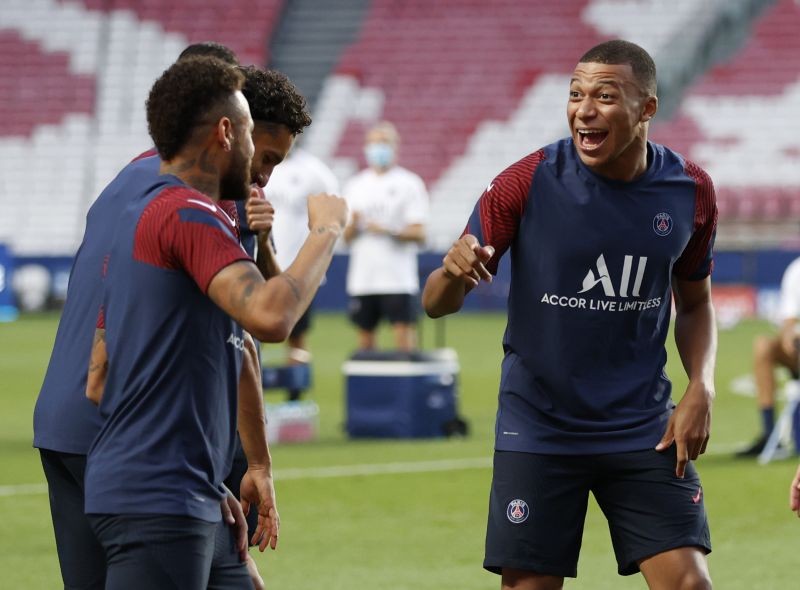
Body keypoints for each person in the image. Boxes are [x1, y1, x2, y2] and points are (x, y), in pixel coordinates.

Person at [422, 40, 717, 589]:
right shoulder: (525, 181)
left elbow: (695, 302)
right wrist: (452, 273)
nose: (584, 109)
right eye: (576, 94)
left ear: (646, 109)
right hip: (540, 425)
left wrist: (702, 384)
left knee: (690, 584)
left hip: (641, 425)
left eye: (605, 96)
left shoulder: (691, 191)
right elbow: (436, 302)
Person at [31, 45, 311, 589]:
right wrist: (253, 467)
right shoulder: (206, 204)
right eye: (265, 155)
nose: (266, 176)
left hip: (64, 428)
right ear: (230, 130)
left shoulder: (132, 179)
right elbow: (249, 338)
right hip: (140, 447)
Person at [343, 121, 429, 352]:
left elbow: (420, 232)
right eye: (373, 142)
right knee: (365, 342)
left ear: (395, 147)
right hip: (363, 279)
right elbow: (346, 237)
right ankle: (371, 388)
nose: (378, 148)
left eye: (383, 142)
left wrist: (388, 230)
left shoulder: (409, 183)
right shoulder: (355, 185)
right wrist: (353, 224)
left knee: (404, 341)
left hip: (397, 278)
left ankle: (405, 387)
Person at [265, 147, 340, 399]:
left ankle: (294, 398)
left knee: (296, 336)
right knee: (249, 334)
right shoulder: (257, 164)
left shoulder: (316, 172)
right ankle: (248, 397)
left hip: (299, 269)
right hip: (260, 264)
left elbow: (333, 216)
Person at [736, 256, 800, 456]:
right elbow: (788, 324)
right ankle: (770, 432)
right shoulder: (796, 271)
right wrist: (791, 341)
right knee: (763, 346)